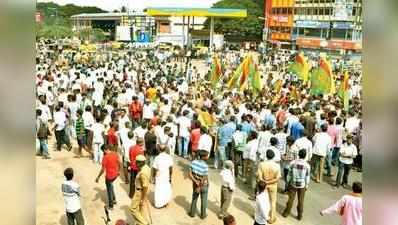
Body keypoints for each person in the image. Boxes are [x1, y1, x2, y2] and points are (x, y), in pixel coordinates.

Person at [282, 149, 311, 220]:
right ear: (305, 156)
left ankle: (286, 212)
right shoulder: (307, 165)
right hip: (302, 185)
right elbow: (307, 177)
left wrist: (288, 182)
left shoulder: (293, 163)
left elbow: (289, 174)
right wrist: (307, 185)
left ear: (298, 155)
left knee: (290, 199)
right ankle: (299, 216)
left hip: (293, 184)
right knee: (301, 201)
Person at [256, 150, 281, 224]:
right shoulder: (277, 166)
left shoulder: (261, 164)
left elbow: (259, 177)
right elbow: (277, 178)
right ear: (273, 156)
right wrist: (269, 182)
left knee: (261, 201)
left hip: (263, 186)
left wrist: (265, 182)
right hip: (273, 185)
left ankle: (260, 215)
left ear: (266, 156)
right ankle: (271, 218)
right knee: (273, 202)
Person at [95, 145, 120, 210]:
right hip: (115, 174)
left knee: (109, 191)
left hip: (109, 176)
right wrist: (118, 171)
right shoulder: (115, 154)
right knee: (111, 186)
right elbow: (119, 163)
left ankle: (111, 206)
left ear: (104, 150)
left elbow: (103, 169)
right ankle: (114, 200)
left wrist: (98, 177)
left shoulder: (105, 157)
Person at [130, 155, 151, 225]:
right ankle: (141, 223)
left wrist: (143, 198)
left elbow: (145, 186)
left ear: (140, 163)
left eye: (137, 162)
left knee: (132, 208)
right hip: (142, 190)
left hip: (140, 191)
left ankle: (144, 223)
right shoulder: (146, 167)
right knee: (141, 208)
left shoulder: (143, 172)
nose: (136, 163)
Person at [189, 150, 209, 219]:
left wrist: (196, 181)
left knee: (194, 198)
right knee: (204, 200)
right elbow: (205, 177)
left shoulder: (193, 162)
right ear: (203, 157)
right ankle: (203, 215)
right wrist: (200, 186)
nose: (208, 157)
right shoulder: (205, 166)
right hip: (203, 185)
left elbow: (190, 174)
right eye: (207, 155)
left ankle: (192, 213)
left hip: (195, 183)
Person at [152, 144, 173, 208]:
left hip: (159, 175)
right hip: (166, 175)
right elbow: (171, 168)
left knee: (159, 188)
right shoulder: (169, 157)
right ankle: (166, 202)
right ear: (165, 149)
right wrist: (170, 175)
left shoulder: (157, 158)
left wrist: (153, 176)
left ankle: (159, 204)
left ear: (159, 149)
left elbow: (154, 168)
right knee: (166, 188)